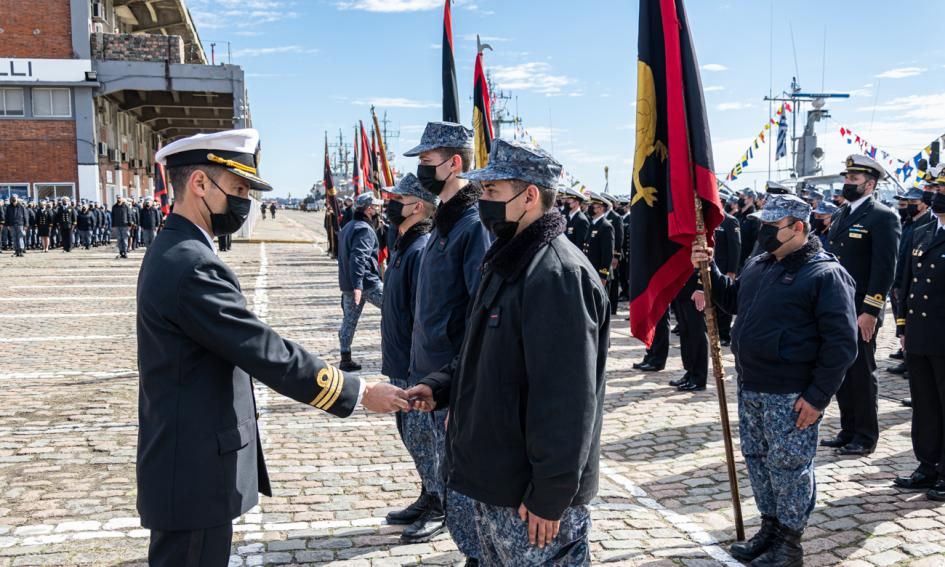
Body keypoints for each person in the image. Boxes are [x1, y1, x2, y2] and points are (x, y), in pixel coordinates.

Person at [139, 128, 409, 567]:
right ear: (200, 184)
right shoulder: (190, 265)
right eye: (239, 189)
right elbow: (265, 351)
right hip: (194, 468)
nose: (244, 202)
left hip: (188, 460)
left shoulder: (179, 249)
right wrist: (357, 392)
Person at [406, 139, 609, 566]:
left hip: (529, 496)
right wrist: (441, 386)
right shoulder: (509, 259)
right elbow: (485, 355)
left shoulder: (557, 275)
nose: (483, 202)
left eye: (493, 193)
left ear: (529, 196)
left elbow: (567, 399)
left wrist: (550, 495)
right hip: (496, 479)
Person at [691, 194, 857, 567]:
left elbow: (841, 346)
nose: (763, 232)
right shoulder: (760, 263)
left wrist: (817, 397)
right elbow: (734, 300)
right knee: (759, 460)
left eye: (772, 227)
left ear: (798, 228)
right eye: (762, 225)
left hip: (791, 392)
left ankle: (789, 543)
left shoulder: (825, 274)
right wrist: (710, 271)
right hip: (751, 384)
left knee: (790, 467)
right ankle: (769, 526)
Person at [401, 122, 491, 562]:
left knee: (463, 489)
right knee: (444, 478)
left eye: (426, 162)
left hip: (451, 381)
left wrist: (457, 386)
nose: (420, 171)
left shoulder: (471, 226)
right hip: (428, 373)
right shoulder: (443, 222)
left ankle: (477, 555)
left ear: (455, 163)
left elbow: (480, 313)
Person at [820, 155, 901, 456]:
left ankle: (865, 435)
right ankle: (848, 428)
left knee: (862, 372)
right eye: (847, 178)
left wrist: (871, 311)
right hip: (836, 305)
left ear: (870, 184)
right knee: (841, 369)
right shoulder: (842, 213)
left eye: (854, 180)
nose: (847, 183)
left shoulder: (883, 216)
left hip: (860, 308)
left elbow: (884, 269)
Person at [379, 174, 438, 527]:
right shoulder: (406, 245)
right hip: (400, 362)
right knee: (412, 439)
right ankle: (429, 493)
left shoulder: (420, 249)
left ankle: (439, 503)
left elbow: (423, 316)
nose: (390, 204)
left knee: (424, 441)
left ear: (416, 205)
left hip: (415, 368)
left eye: (397, 198)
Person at [894, 166, 945, 498]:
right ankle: (927, 464)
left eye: (943, 189)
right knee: (925, 403)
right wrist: (902, 326)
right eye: (937, 188)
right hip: (920, 333)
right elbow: (905, 281)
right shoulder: (924, 230)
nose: (936, 193)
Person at [336, 192, 385, 371]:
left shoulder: (348, 226)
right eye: (376, 206)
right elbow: (359, 258)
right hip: (366, 283)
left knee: (349, 321)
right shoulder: (364, 228)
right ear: (369, 208)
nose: (378, 209)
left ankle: (345, 358)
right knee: (394, 308)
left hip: (349, 285)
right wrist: (358, 286)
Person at [713, 208, 741, 346]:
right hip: (711, 268)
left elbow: (735, 247)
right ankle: (715, 331)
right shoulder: (709, 219)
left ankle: (724, 334)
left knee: (724, 305)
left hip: (724, 269)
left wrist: (732, 270)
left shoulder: (729, 221)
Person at [581, 193, 615, 288]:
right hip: (591, 269)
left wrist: (603, 275)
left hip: (599, 273)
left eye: (593, 206)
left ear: (600, 209)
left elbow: (607, 253)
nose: (590, 208)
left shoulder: (606, 226)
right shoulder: (592, 224)